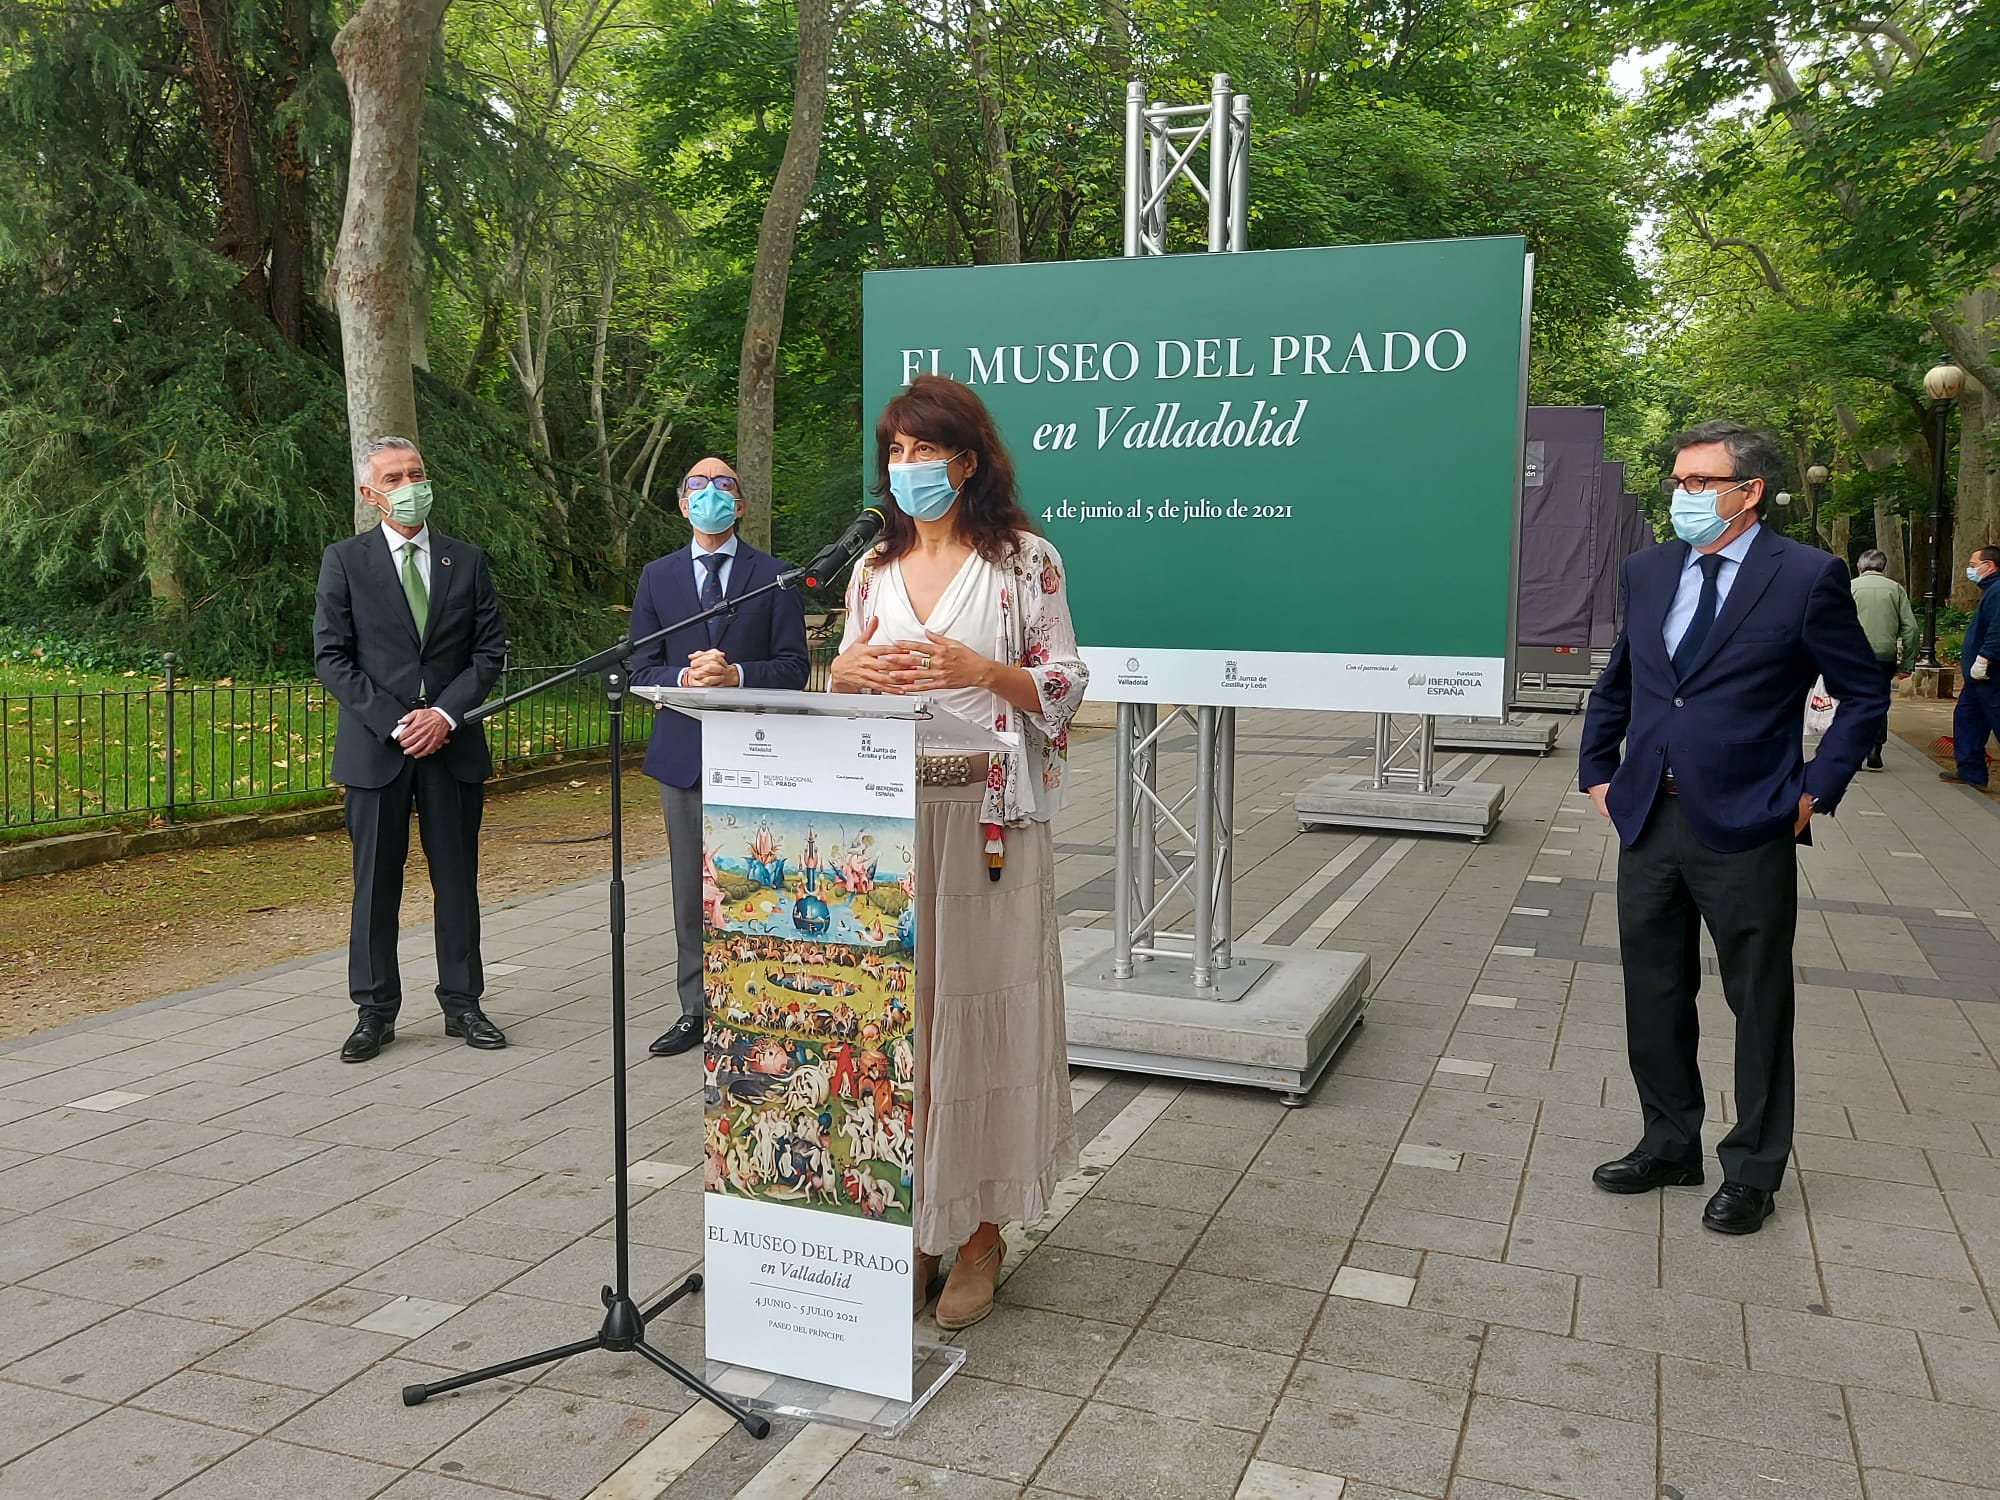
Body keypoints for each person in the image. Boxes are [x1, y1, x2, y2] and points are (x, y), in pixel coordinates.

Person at [1579, 421, 1887, 1236]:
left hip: (1750, 824)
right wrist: (1597, 771)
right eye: (1677, 481)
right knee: (1653, 990)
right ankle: (1668, 1142)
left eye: (1699, 483)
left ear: (1748, 492)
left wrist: (1814, 791)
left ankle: (1752, 1169)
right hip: (1648, 817)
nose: (1681, 496)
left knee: (1757, 1000)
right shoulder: (1648, 570)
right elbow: (1622, 680)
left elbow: (1863, 693)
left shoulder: (1807, 576)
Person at [828, 373, 1087, 1329]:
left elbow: (1066, 681)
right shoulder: (870, 570)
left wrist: (984, 671)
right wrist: (843, 672)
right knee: (907, 1027)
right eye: (895, 452)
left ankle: (980, 1233)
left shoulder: (1023, 561)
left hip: (988, 826)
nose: (908, 468)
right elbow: (845, 686)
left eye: (925, 451)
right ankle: (919, 1223)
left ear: (967, 461)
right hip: (890, 825)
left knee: (981, 1023)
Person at [314, 436, 508, 1063]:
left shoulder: (465, 560)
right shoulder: (345, 561)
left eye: (416, 474)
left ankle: (463, 1003)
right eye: (394, 478)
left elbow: (488, 653)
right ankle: (374, 1011)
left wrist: (444, 715)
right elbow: (331, 657)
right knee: (375, 886)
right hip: (378, 751)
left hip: (452, 747)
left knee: (456, 880)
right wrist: (398, 723)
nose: (408, 486)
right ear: (370, 493)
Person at [628, 457, 809, 1057]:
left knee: (759, 881)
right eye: (698, 487)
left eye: (724, 485)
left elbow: (794, 668)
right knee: (691, 889)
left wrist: (736, 675)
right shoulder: (657, 576)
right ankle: (696, 1009)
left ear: (742, 504)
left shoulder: (775, 576)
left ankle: (761, 1000)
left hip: (760, 758)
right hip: (684, 756)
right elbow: (640, 665)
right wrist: (685, 677)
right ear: (683, 505)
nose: (711, 494)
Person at [1849, 549, 1919, 769]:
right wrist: (1907, 662)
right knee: (1878, 700)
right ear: (1883, 567)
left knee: (1853, 701)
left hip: (1854, 656)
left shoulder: (1849, 587)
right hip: (1884, 656)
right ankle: (1875, 748)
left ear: (1859, 567)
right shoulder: (1895, 589)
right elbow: (1911, 629)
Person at [1941, 545, 2000, 789]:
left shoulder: (1997, 591)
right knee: (1967, 719)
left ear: (1989, 566)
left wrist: (1985, 657)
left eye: (1974, 565)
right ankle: (1971, 771)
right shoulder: (1991, 591)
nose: (1970, 570)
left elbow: (1997, 629)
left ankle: (1971, 770)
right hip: (1979, 678)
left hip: (1991, 673)